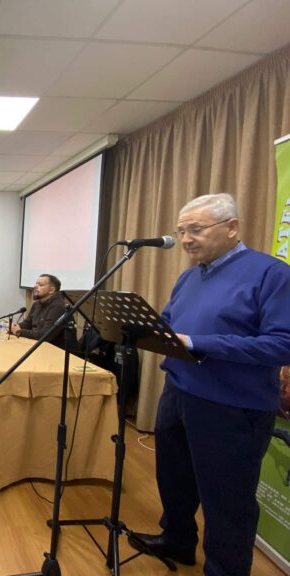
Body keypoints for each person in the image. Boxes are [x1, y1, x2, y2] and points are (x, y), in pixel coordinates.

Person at [129, 194, 290, 576]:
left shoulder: (272, 273)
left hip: (233, 407)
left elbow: (283, 343)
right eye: (182, 230)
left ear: (232, 228)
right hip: (180, 392)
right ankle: (178, 540)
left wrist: (200, 343)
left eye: (196, 229)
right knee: (174, 479)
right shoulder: (190, 275)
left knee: (227, 500)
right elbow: (170, 325)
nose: (185, 239)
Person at [11, 274, 72, 350]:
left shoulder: (58, 307)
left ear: (51, 290)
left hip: (56, 351)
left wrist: (19, 331)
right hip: (39, 346)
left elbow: (45, 335)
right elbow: (27, 323)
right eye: (36, 283)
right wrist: (14, 327)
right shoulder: (37, 304)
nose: (35, 286)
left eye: (40, 285)